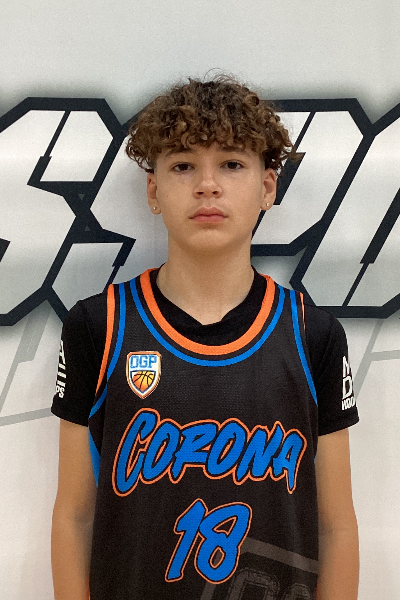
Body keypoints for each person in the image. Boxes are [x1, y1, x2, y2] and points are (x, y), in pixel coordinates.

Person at [51, 74, 359, 600]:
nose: (207, 185)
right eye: (183, 165)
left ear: (268, 188)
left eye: (232, 164)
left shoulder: (313, 335)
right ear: (154, 190)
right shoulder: (98, 327)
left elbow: (336, 526)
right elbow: (75, 515)